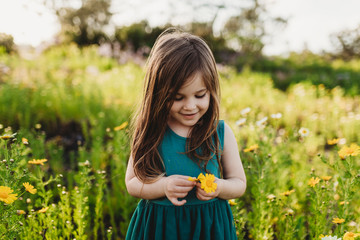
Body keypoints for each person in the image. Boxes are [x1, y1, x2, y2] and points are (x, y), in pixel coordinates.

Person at [125, 27, 246, 240]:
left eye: (200, 95)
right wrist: (163, 186)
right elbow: (133, 182)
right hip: (162, 228)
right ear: (158, 94)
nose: (190, 106)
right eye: (178, 98)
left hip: (209, 228)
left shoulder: (220, 132)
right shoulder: (151, 131)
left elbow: (239, 183)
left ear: (211, 91)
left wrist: (218, 187)